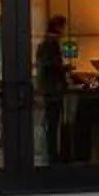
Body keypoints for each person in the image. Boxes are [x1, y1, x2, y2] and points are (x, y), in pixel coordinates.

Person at [37, 14, 70, 166]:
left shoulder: (43, 43)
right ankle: (54, 155)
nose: (64, 31)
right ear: (58, 27)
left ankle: (51, 154)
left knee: (50, 123)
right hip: (54, 90)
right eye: (63, 27)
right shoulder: (52, 43)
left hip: (47, 88)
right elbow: (53, 66)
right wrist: (65, 70)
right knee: (53, 123)